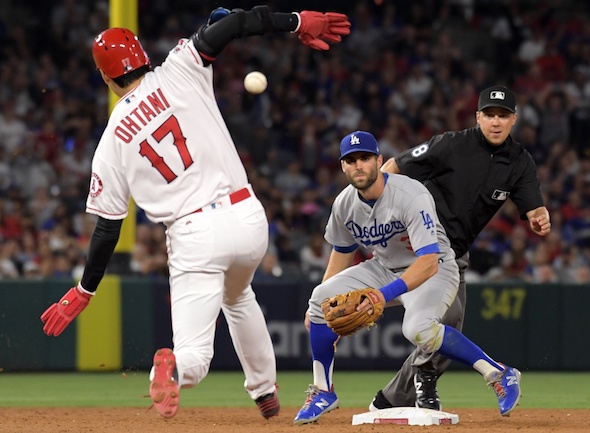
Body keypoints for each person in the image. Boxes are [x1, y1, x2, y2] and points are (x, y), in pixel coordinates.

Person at [39, 6, 351, 420]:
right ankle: (264, 392)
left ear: (106, 77)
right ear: (143, 57)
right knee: (239, 296)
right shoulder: (179, 67)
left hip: (194, 235)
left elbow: (107, 229)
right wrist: (293, 20)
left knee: (195, 354)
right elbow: (233, 24)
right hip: (247, 218)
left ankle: (173, 368)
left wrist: (85, 289)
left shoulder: (112, 140)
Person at [293, 130, 522, 425]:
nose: (358, 165)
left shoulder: (410, 194)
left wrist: (383, 294)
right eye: (351, 160)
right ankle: (323, 391)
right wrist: (325, 306)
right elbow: (341, 251)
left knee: (417, 329)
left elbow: (427, 262)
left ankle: (498, 373)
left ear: (379, 161)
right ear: (343, 166)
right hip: (385, 266)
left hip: (433, 267)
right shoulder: (344, 204)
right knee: (318, 298)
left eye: (364, 158)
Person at [369, 85, 551, 412]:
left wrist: (540, 217)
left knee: (450, 326)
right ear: (478, 117)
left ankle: (392, 399)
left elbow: (534, 208)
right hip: (416, 242)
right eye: (490, 115)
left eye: (503, 115)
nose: (496, 122)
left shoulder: (518, 162)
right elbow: (395, 166)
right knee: (428, 320)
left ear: (514, 119)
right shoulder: (451, 144)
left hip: (454, 254)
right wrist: (373, 202)